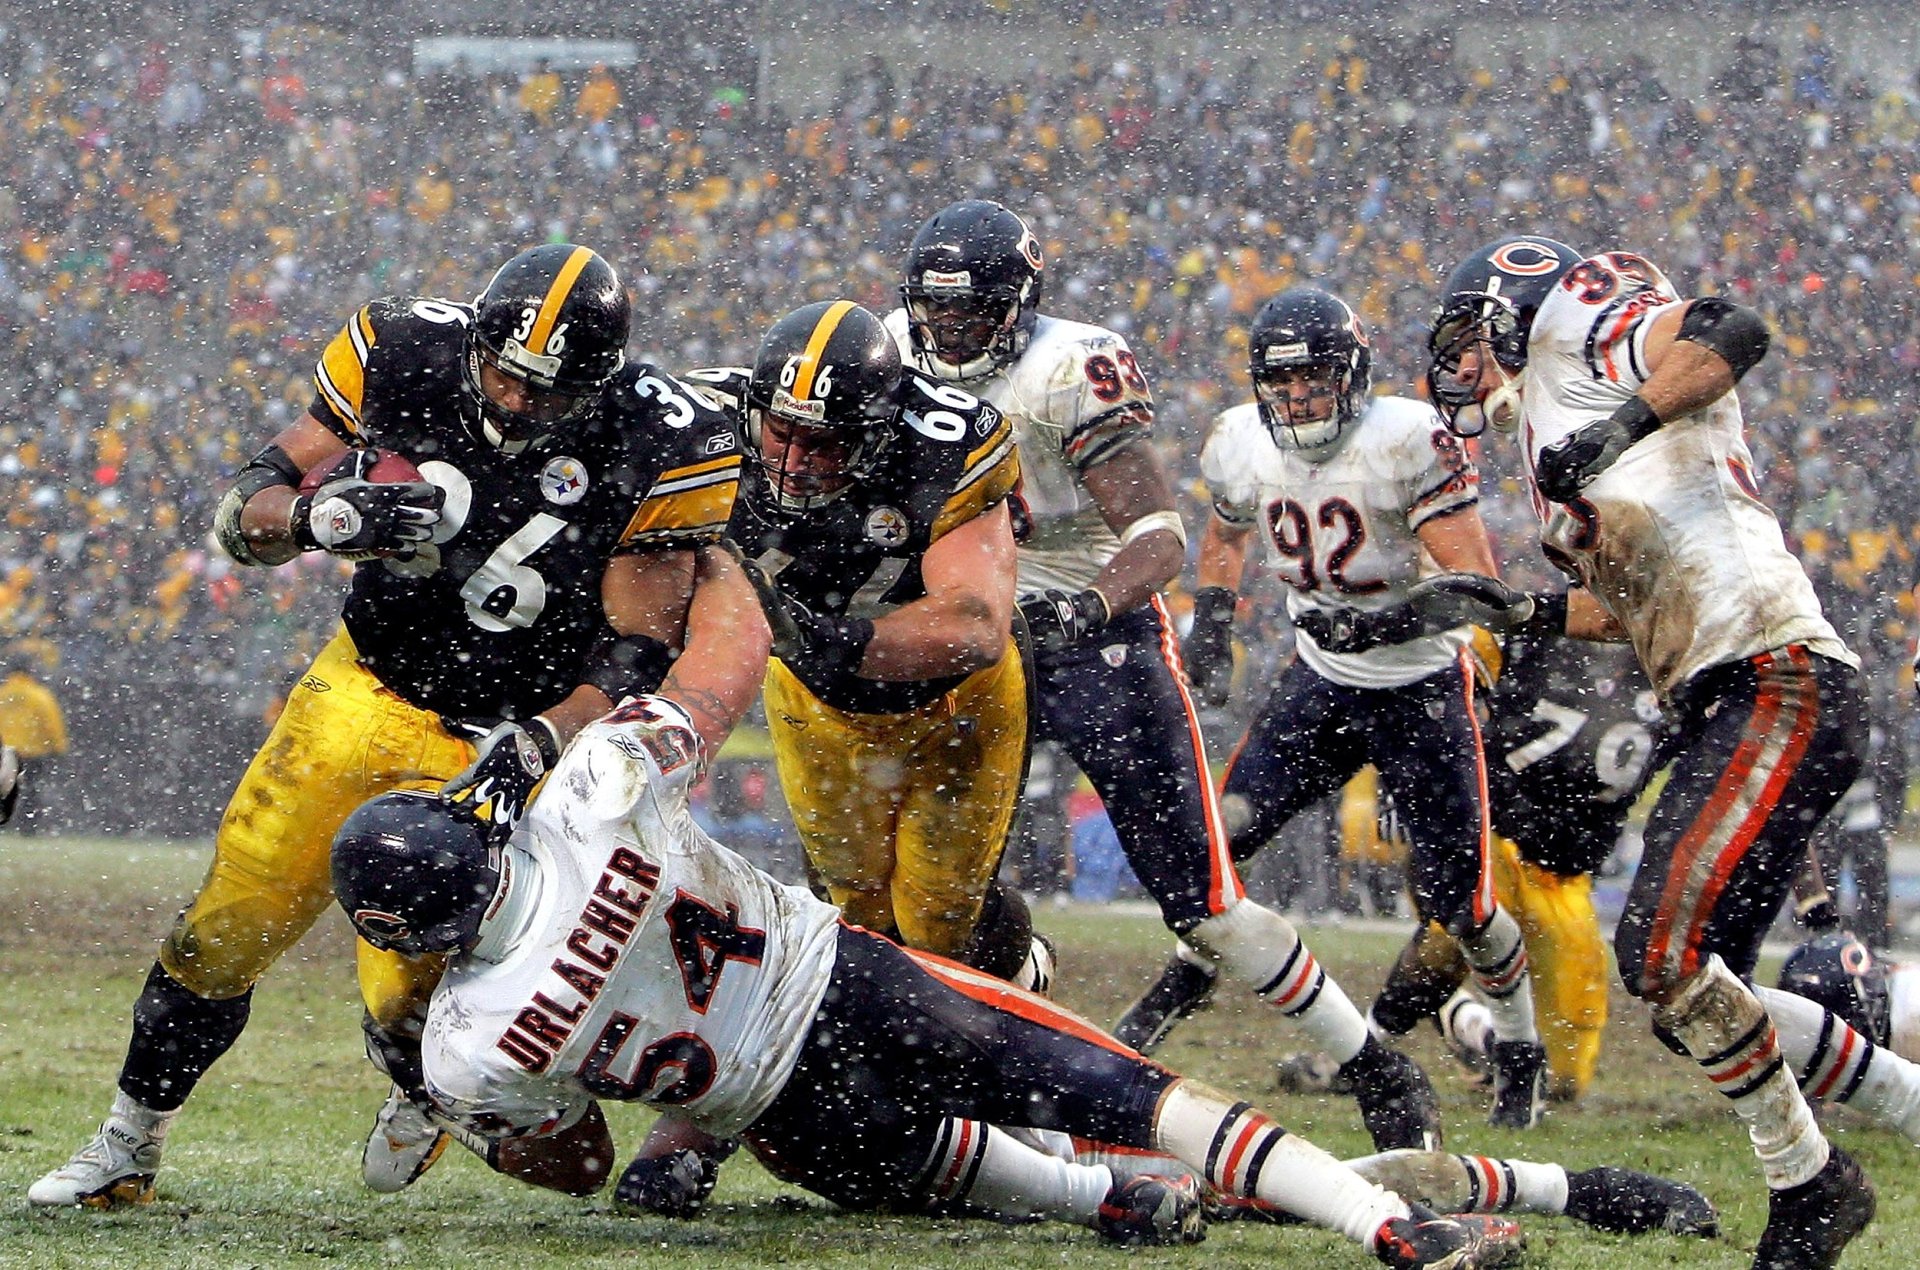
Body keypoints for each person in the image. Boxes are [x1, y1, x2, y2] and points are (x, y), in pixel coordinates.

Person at [29, 244, 768, 1209]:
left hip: (511, 733)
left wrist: (545, 739)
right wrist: (320, 517)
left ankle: (421, 1083)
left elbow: (633, 648)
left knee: (414, 1001)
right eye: (498, 370)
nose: (508, 398)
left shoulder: (656, 435)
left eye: (540, 391)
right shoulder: (405, 347)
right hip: (367, 690)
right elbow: (239, 517)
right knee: (228, 925)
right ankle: (127, 1144)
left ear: (597, 383)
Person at [329, 695, 1524, 1270]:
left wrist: (460, 1111)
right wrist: (551, 733)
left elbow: (576, 1161)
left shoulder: (465, 1038)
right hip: (860, 989)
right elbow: (707, 675)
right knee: (1130, 1092)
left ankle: (1107, 1206)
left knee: (1055, 1175)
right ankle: (1387, 1228)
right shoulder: (587, 801)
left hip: (793, 1120)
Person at [890, 200, 1441, 1154]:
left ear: (1018, 306)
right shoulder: (889, 350)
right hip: (974, 637)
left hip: (1095, 635)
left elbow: (1159, 537)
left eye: (969, 313)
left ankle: (1371, 1061)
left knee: (1203, 901)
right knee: (935, 887)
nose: (946, 332)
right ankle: (1006, 1025)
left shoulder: (1070, 367)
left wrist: (1087, 607)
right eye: (934, 311)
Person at [1426, 234, 1874, 1268]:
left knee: (1665, 960)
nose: (1463, 369)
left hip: (1775, 673)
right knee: (1690, 989)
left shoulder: (1581, 329)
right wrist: (1526, 609)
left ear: (1512, 310)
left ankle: (1815, 1182)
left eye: (1468, 340)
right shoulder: (1551, 419)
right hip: (1729, 686)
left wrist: (1618, 425)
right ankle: (1853, 1139)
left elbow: (1731, 329)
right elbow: (1635, 608)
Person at [1123, 286, 1548, 1129]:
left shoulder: (1405, 438)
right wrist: (1212, 614)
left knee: (1461, 903)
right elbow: (1229, 530)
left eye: (1314, 380)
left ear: (1351, 376)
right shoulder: (1239, 440)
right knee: (1225, 835)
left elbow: (1479, 584)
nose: (1297, 400)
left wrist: (1399, 615)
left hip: (1421, 684)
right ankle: (1189, 973)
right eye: (1281, 384)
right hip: (1321, 679)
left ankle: (1520, 1047)